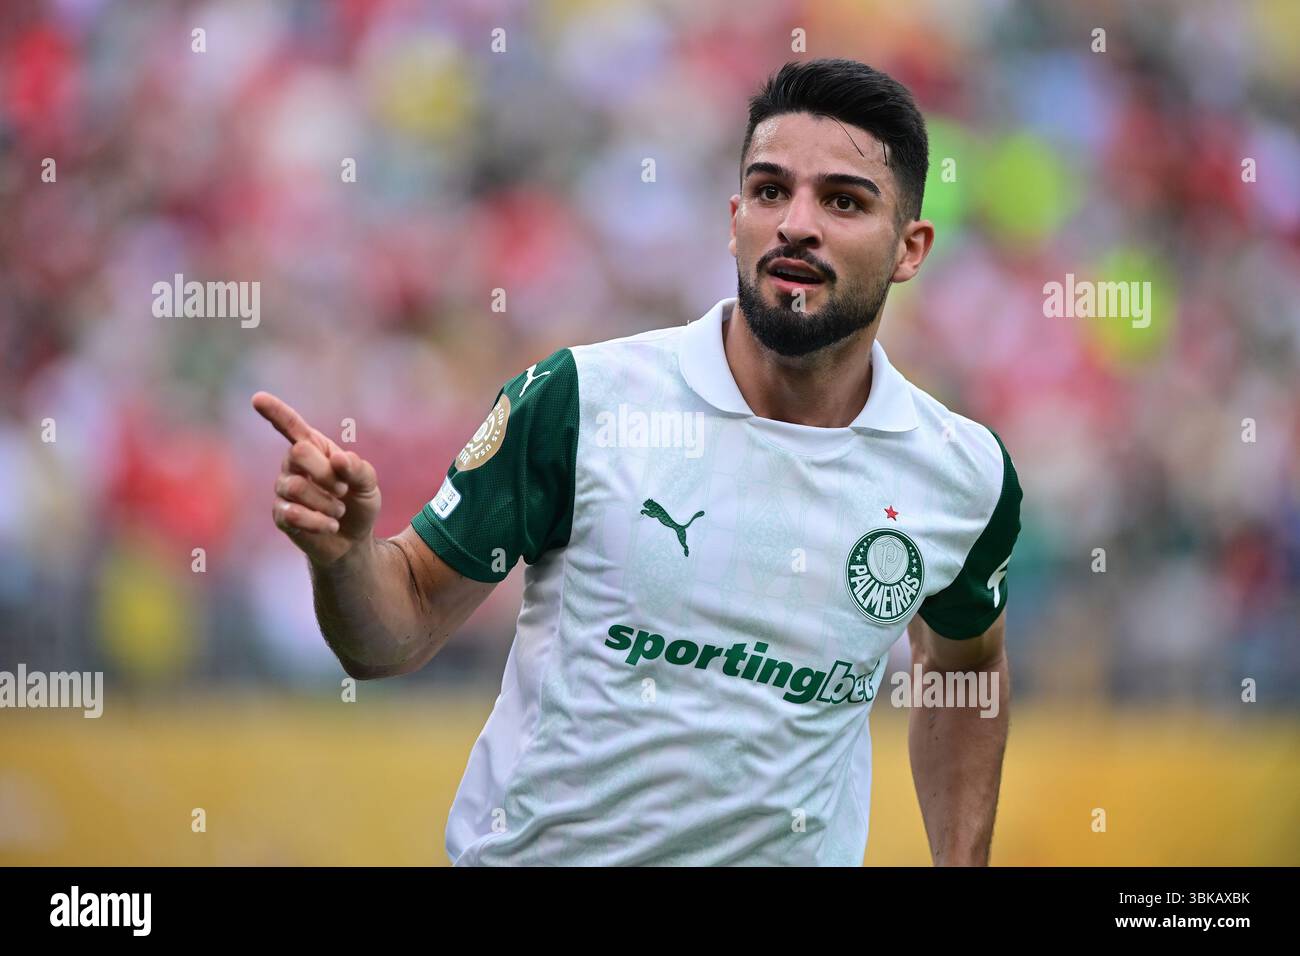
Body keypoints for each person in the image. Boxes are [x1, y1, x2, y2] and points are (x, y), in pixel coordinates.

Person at [253, 58, 1022, 866]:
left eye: (843, 201)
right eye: (769, 191)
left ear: (911, 248)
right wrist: (343, 560)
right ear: (734, 221)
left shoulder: (961, 475)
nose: (797, 223)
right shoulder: (581, 400)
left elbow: (964, 667)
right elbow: (389, 640)